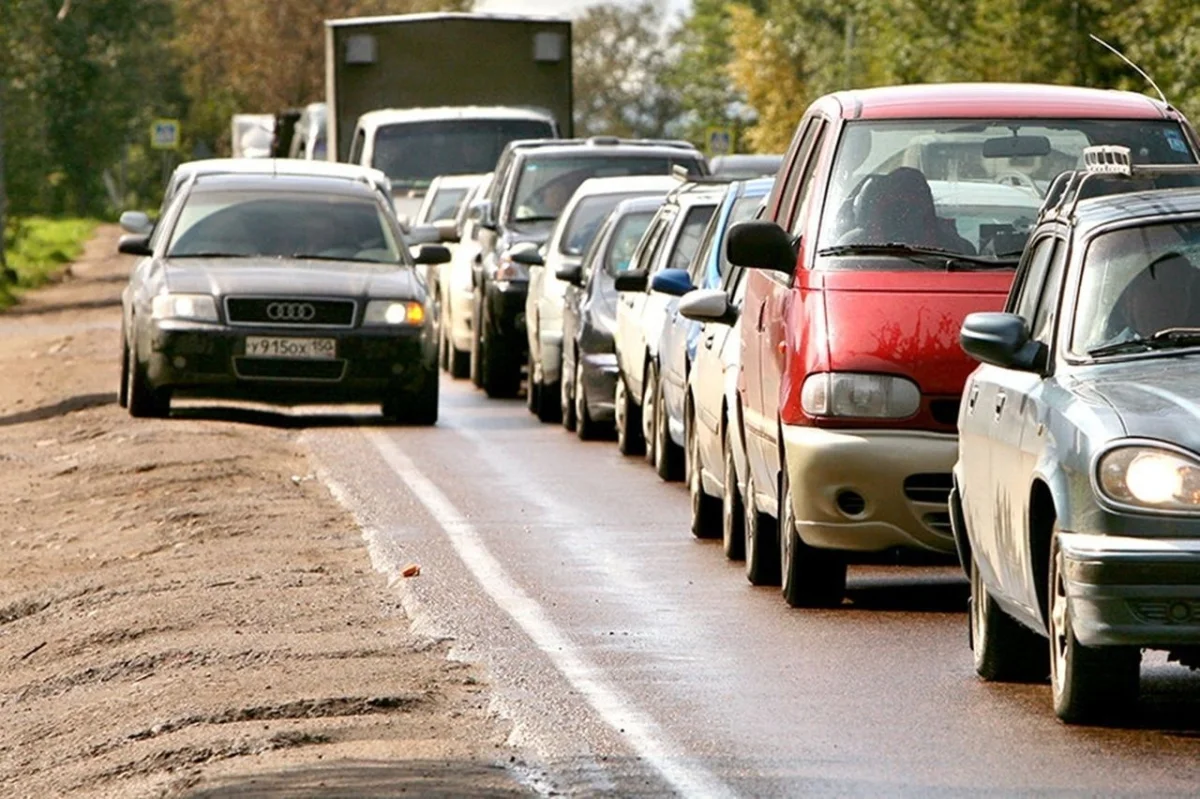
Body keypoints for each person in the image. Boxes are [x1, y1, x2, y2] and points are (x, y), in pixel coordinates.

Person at [1101, 253, 1200, 345]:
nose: (1168, 299)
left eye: (1179, 288)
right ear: (1129, 300)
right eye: (1158, 289)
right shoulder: (1110, 355)